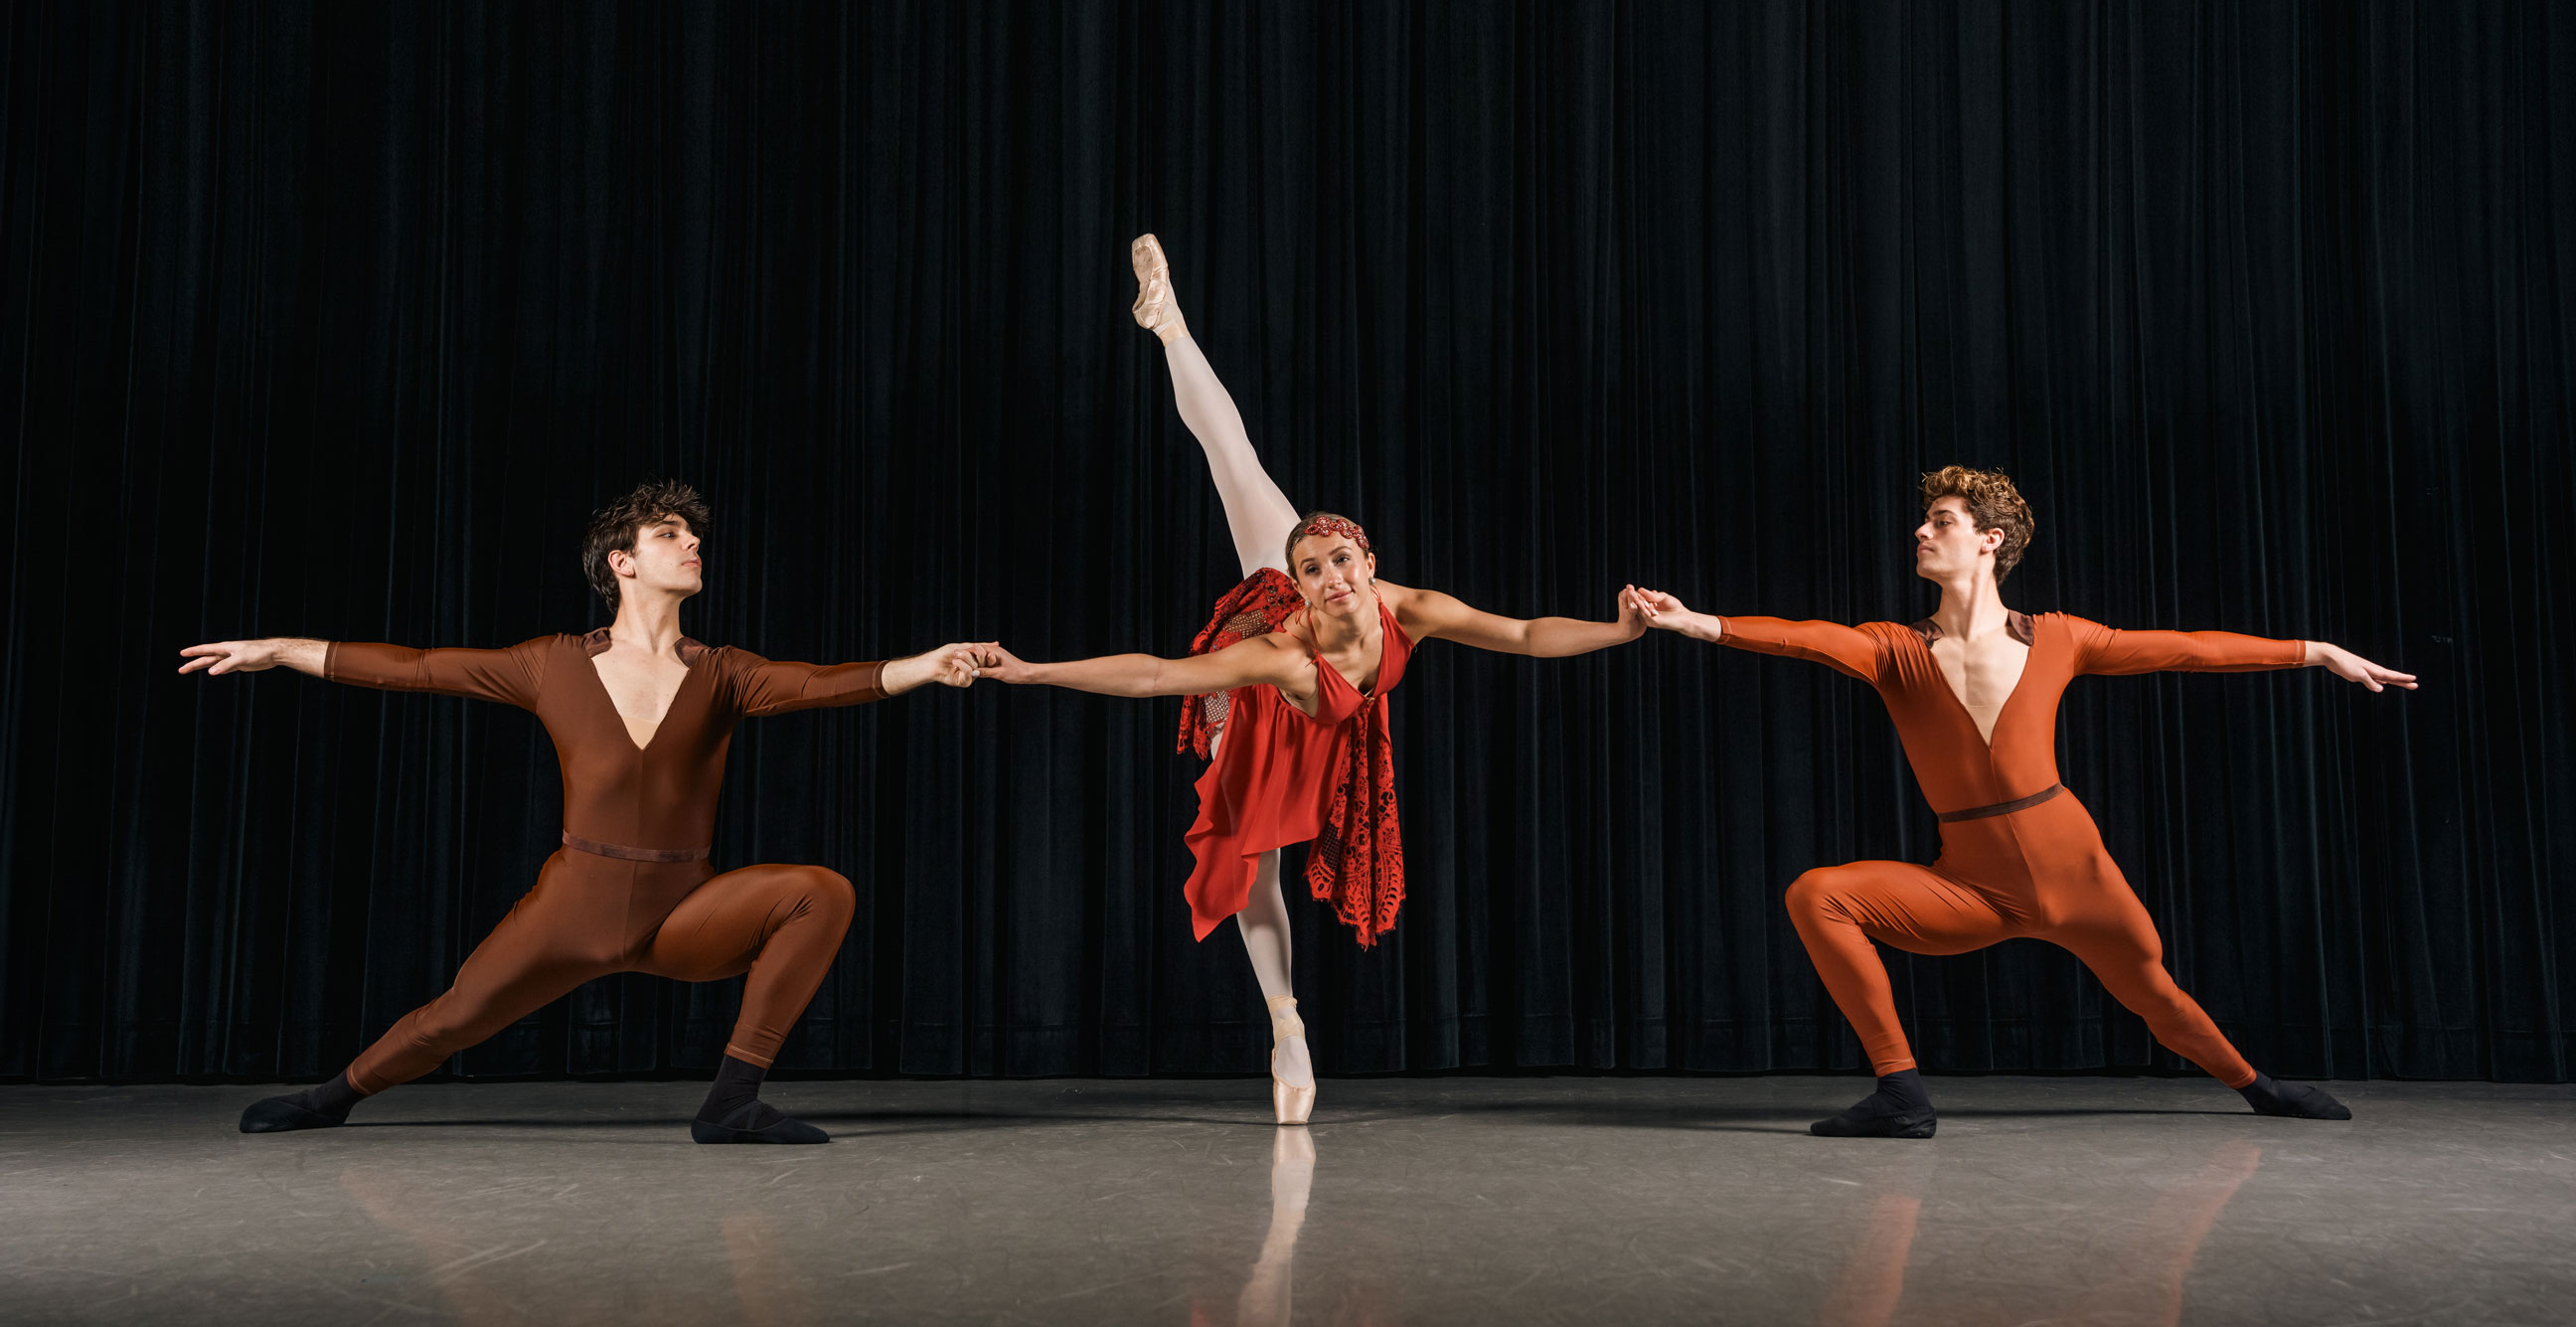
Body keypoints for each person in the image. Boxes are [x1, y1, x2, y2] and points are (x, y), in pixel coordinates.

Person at [968, 235, 1648, 1123]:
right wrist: (1031, 671)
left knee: (1240, 459)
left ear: (1369, 560)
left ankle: (1169, 324)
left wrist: (1621, 629)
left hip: (1333, 716)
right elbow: (1156, 677)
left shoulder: (1409, 604)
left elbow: (1520, 632)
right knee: (1255, 865)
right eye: (1316, 570)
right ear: (1302, 585)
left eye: (1340, 561)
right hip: (1256, 711)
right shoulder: (1283, 646)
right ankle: (1286, 1023)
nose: (1332, 579)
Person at [181, 480, 984, 1145]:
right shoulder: (551, 664)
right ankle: (329, 1099)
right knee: (450, 1020)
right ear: (622, 562)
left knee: (822, 890)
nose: (692, 544)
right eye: (670, 534)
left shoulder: (726, 674)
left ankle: (732, 1103)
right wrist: (280, 650)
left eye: (694, 536)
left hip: (684, 915)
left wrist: (926, 664)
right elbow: (419, 668)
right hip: (570, 911)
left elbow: (821, 682)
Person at [1630, 465, 2414, 1137]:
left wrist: (2318, 652)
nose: (1920, 532)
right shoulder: (1893, 649)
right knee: (1818, 895)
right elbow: (1802, 636)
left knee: (2158, 998)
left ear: (1989, 541)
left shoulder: (2061, 638)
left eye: (1941, 521)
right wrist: (1694, 621)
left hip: (2080, 877)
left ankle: (2259, 1089)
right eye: (1925, 520)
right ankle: (1901, 1091)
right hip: (1975, 889)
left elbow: (2190, 648)